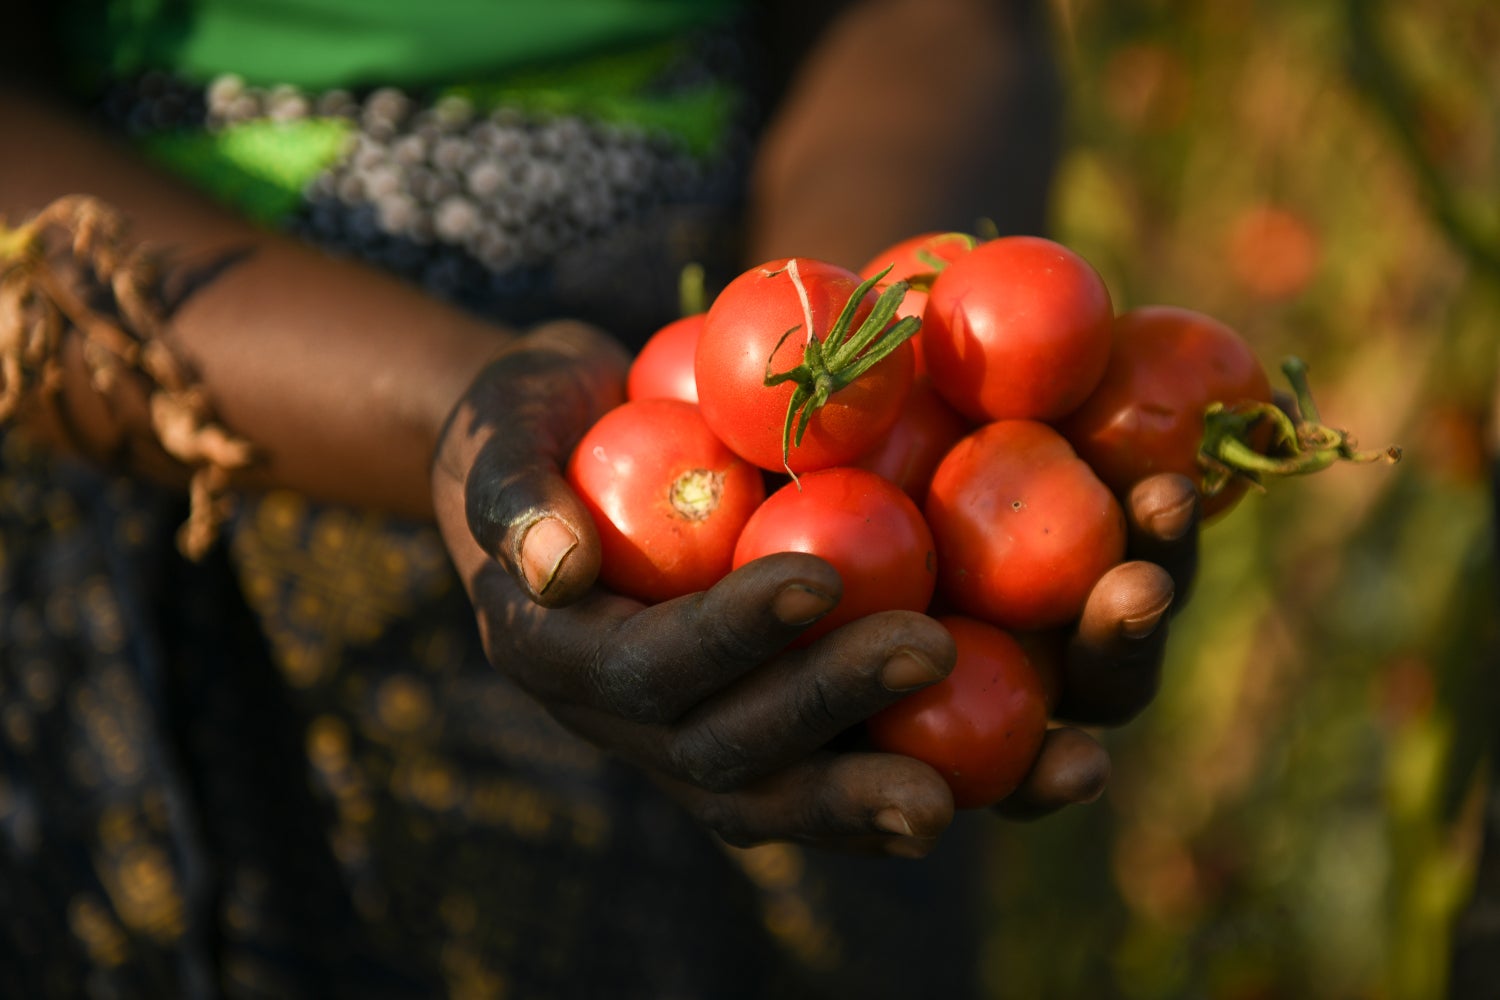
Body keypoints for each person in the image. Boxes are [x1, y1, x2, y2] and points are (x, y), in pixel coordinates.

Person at [0, 0, 1199, 996]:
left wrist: (882, 351)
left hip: (726, 359)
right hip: (210, 415)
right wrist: (449, 411)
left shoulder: (811, 431)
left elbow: (934, 20)